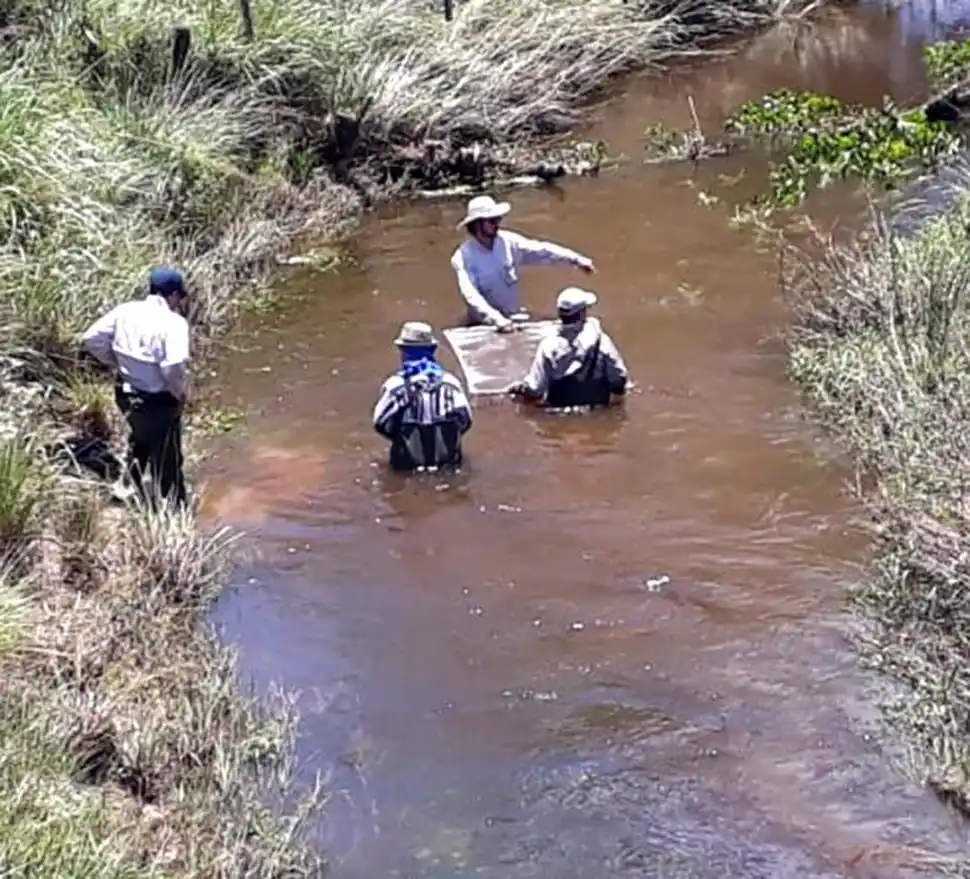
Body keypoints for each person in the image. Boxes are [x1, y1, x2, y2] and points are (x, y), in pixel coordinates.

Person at [80, 266, 191, 508]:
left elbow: (91, 338)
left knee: (140, 436)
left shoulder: (125, 311)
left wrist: (115, 361)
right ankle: (173, 509)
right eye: (179, 297)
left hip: (125, 394)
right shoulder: (174, 323)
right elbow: (173, 365)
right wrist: (179, 393)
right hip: (157, 401)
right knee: (168, 458)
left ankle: (126, 487)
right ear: (173, 295)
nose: (179, 303)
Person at [450, 195, 596, 333]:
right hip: (484, 325)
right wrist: (497, 319)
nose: (497, 224)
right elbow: (471, 295)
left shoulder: (508, 242)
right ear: (477, 224)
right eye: (492, 221)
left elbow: (542, 251)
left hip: (513, 318)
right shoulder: (463, 257)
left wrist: (576, 259)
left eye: (498, 219)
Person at [372, 321, 474, 471]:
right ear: (432, 350)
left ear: (404, 352)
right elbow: (466, 420)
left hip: (408, 464)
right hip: (446, 461)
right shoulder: (451, 383)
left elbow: (380, 423)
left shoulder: (395, 387)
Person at [506, 286, 628, 409]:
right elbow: (619, 378)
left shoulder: (548, 345)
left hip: (560, 409)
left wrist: (519, 389)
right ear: (582, 313)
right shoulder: (602, 341)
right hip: (596, 408)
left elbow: (535, 389)